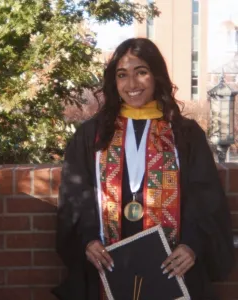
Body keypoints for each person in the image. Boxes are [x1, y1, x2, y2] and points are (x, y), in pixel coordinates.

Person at [54, 38, 234, 299]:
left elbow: (204, 197)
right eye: (122, 75)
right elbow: (75, 194)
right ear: (113, 82)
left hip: (172, 264)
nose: (131, 84)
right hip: (108, 264)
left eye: (141, 72)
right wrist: (88, 239)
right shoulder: (93, 134)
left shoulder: (184, 134)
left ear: (156, 76)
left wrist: (192, 245)